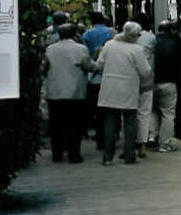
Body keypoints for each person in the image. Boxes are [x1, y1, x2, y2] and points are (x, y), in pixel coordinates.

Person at [96, 21, 152, 165]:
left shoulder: (109, 45)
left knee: (110, 122)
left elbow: (99, 65)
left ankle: (107, 157)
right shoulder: (137, 50)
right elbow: (145, 72)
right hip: (129, 90)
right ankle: (129, 155)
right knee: (130, 122)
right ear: (135, 35)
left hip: (110, 88)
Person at [42, 23, 95, 163]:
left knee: (56, 125)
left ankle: (57, 154)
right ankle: (74, 154)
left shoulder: (50, 49)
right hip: (75, 93)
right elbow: (88, 66)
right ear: (75, 34)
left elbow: (44, 68)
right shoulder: (81, 49)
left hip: (55, 93)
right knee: (75, 125)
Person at [149, 20, 181, 153]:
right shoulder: (176, 42)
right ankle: (165, 144)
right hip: (169, 82)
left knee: (153, 110)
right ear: (171, 30)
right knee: (168, 114)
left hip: (152, 82)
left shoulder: (152, 41)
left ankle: (152, 136)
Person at [82, 12, 114, 149]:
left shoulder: (87, 34)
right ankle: (112, 134)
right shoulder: (112, 32)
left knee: (97, 108)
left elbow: (85, 53)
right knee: (110, 109)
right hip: (110, 72)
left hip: (93, 75)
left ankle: (100, 137)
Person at [134, 12, 156, 158]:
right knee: (144, 113)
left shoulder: (126, 39)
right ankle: (142, 144)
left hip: (129, 81)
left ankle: (130, 144)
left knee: (129, 114)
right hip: (147, 81)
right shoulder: (151, 38)